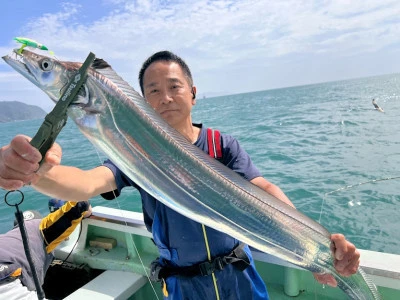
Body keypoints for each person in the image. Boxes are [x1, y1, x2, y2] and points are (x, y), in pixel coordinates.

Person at [0, 51, 360, 299]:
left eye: (174, 87)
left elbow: (263, 189)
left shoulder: (222, 145)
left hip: (241, 279)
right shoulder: (135, 152)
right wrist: (35, 172)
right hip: (183, 287)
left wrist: (315, 246)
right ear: (140, 101)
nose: (165, 97)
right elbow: (87, 183)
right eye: (153, 91)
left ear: (193, 93)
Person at [0, 200, 91, 299]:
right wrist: (88, 211)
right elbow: (78, 206)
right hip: (5, 281)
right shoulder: (40, 228)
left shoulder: (6, 237)